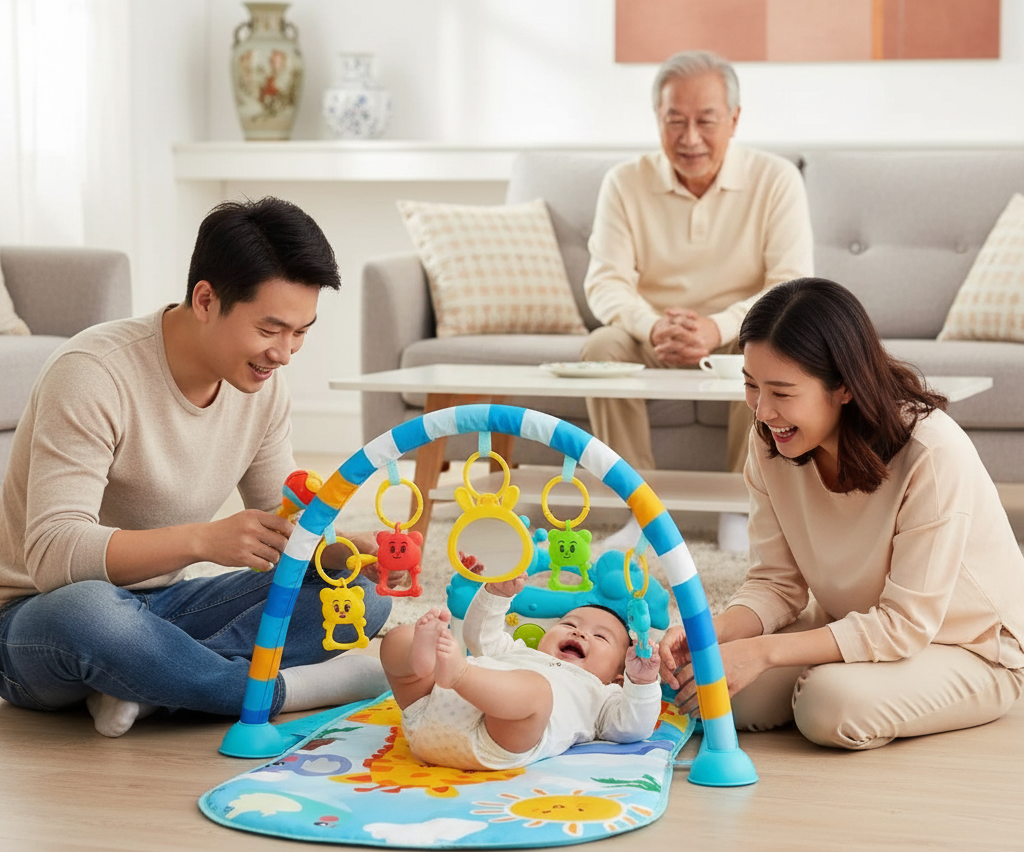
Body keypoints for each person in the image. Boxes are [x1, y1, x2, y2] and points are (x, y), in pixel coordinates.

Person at [0, 197, 391, 737]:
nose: (284, 353)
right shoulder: (92, 374)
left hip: (161, 610)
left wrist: (337, 551)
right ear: (206, 299)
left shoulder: (261, 386)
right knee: (92, 615)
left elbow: (284, 522)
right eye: (270, 329)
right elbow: (52, 555)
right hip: (38, 619)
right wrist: (203, 542)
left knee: (351, 596)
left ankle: (148, 686)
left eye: (301, 332)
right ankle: (288, 689)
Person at [659, 277, 1024, 750]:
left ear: (845, 387)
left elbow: (906, 624)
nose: (763, 410)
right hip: (856, 622)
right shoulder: (771, 439)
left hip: (970, 647)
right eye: (751, 385)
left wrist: (765, 652)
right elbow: (775, 583)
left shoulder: (931, 452)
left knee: (827, 704)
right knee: (715, 691)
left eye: (782, 392)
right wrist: (710, 631)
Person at [582, 49, 814, 552]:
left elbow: (790, 283)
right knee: (601, 347)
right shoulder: (624, 182)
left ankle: (738, 506)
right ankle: (643, 514)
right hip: (653, 333)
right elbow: (605, 282)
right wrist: (650, 327)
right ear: (657, 120)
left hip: (739, 333)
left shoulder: (776, 179)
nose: (689, 138)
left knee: (774, 348)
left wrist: (719, 327)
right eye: (675, 121)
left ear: (734, 119)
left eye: (706, 121)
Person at [379, 572, 663, 770]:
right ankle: (420, 664)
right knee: (398, 639)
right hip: (428, 714)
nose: (579, 633)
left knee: (536, 690)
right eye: (568, 624)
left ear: (617, 675)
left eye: (601, 637)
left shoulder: (605, 694)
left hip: (496, 739)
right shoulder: (518, 652)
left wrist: (640, 681)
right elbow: (480, 637)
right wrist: (495, 594)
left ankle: (459, 674)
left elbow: (634, 727)